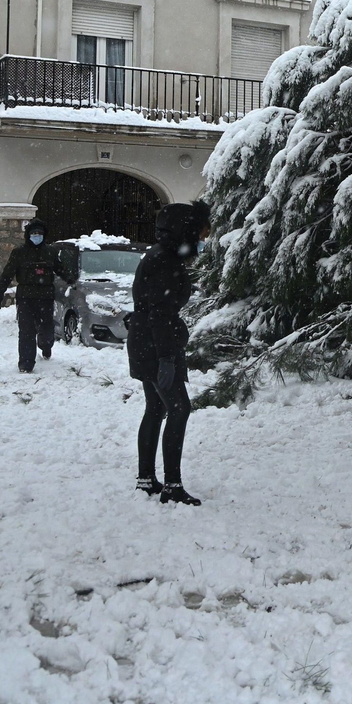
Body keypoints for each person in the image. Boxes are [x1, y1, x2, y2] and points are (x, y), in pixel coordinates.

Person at [129, 200, 209, 506]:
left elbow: (150, 307)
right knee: (178, 409)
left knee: (156, 408)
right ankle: (172, 486)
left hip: (145, 342)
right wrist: (165, 357)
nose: (204, 239)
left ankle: (146, 478)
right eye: (201, 233)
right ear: (186, 230)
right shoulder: (166, 262)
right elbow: (160, 313)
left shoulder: (158, 255)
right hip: (156, 345)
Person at [0, 218, 72, 373]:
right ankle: (26, 364)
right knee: (26, 331)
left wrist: (72, 280)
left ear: (44, 235)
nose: (36, 236)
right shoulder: (19, 253)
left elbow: (61, 270)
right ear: (28, 235)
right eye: (33, 233)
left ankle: (46, 346)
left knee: (46, 329)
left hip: (45, 297)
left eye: (39, 233)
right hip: (26, 298)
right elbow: (7, 275)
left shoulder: (50, 252)